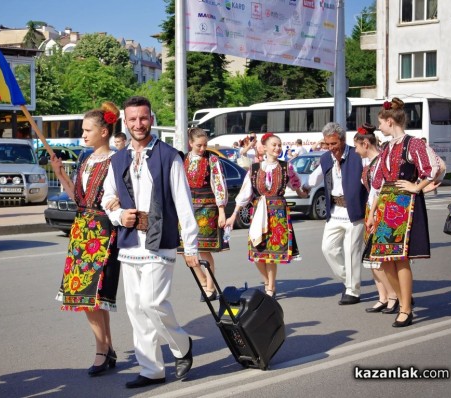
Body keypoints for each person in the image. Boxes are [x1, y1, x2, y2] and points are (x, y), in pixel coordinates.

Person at [101, 96, 199, 388]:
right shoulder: (117, 159)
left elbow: (184, 203)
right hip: (131, 241)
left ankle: (182, 347)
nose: (138, 124)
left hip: (160, 239)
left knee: (152, 302)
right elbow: (107, 197)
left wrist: (191, 247)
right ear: (125, 121)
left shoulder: (169, 156)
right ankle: (151, 368)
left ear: (151, 119)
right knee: (135, 307)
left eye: (143, 118)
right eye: (132, 119)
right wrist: (119, 215)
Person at [52, 102, 122, 376]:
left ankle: (101, 350)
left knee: (89, 295)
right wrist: (59, 173)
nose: (83, 135)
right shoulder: (85, 159)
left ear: (104, 131)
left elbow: (119, 198)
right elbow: (78, 199)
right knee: (92, 297)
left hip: (103, 231)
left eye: (87, 130)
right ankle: (108, 348)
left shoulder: (116, 161)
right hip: (82, 229)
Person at [366, 97, 442, 327]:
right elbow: (378, 183)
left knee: (400, 259)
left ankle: (405, 308)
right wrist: (371, 214)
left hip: (405, 206)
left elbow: (434, 167)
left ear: (390, 121)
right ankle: (402, 299)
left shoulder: (413, 144)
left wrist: (416, 187)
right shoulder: (387, 147)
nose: (379, 127)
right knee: (384, 259)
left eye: (380, 123)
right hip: (387, 204)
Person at [226, 133, 308, 298]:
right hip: (259, 213)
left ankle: (270, 286)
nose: (277, 148)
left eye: (279, 145)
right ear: (265, 148)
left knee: (271, 253)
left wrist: (303, 192)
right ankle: (266, 282)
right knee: (257, 252)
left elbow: (297, 187)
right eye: (274, 145)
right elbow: (245, 193)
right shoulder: (255, 169)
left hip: (278, 213)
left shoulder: (287, 167)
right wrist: (233, 214)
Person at [303, 122, 368, 306]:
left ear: (342, 140)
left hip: (355, 210)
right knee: (328, 248)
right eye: (327, 144)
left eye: (333, 144)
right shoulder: (326, 159)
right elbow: (314, 177)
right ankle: (349, 280)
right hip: (335, 210)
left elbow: (371, 175)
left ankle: (352, 291)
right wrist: (304, 187)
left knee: (351, 250)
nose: (331, 148)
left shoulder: (357, 156)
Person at [353, 123, 399, 314]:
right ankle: (383, 296)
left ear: (365, 144)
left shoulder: (381, 161)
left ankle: (393, 296)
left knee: (381, 258)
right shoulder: (371, 162)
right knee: (372, 258)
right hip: (371, 211)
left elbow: (379, 190)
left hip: (381, 211)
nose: (355, 150)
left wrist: (373, 213)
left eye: (356, 146)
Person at [181, 127, 228, 301]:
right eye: (199, 145)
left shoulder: (212, 159)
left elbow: (219, 184)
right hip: (188, 209)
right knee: (186, 250)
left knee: (204, 250)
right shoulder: (183, 159)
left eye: (205, 145)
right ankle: (202, 281)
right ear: (190, 143)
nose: (202, 149)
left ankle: (210, 287)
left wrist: (221, 210)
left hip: (207, 208)